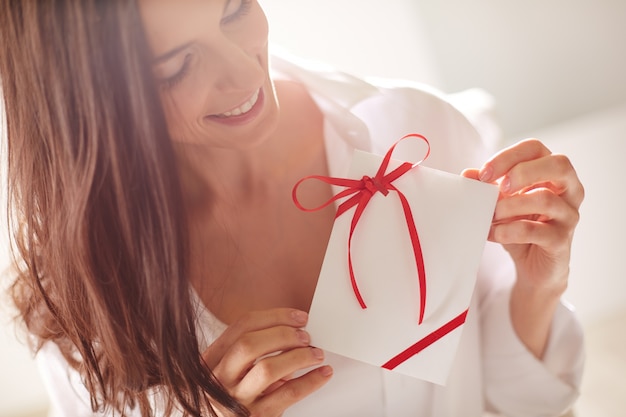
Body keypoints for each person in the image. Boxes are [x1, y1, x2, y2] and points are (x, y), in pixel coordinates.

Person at [0, 1, 585, 416]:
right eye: (176, 66)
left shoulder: (417, 136)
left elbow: (523, 405)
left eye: (233, 10)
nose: (243, 70)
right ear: (91, 102)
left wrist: (538, 291)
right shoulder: (85, 295)